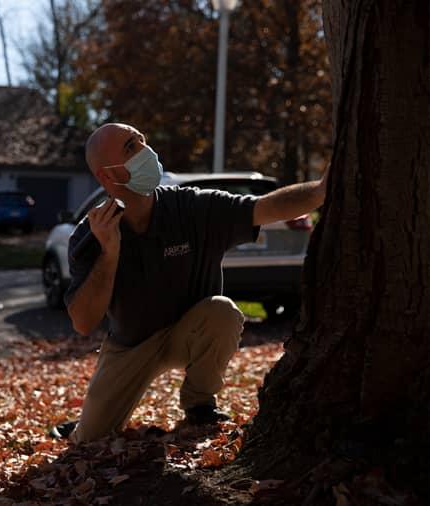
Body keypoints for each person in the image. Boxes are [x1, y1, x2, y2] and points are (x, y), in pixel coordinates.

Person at [50, 123, 328, 443]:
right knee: (90, 439)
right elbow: (83, 322)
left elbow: (264, 208)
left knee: (222, 311)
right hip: (131, 345)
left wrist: (321, 190)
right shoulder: (90, 235)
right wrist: (110, 252)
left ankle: (200, 404)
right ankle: (86, 421)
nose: (146, 151)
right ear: (108, 177)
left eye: (142, 140)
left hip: (191, 331)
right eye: (130, 147)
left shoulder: (191, 207)